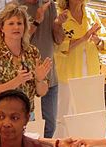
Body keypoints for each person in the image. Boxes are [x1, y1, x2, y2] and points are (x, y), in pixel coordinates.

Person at [0, 3, 52, 115]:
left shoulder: (32, 52)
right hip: (3, 116)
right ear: (2, 28)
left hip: (27, 115)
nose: (16, 27)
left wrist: (39, 80)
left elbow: (42, 92)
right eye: (11, 23)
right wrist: (17, 81)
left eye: (19, 23)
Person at [54, 0, 106, 116]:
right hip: (67, 76)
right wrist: (83, 39)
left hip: (91, 74)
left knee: (90, 114)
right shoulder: (59, 15)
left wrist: (98, 41)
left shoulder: (92, 14)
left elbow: (105, 43)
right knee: (64, 115)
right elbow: (58, 47)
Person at [28, 0, 66, 137]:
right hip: (26, 79)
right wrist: (36, 21)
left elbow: (59, 40)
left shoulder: (49, 5)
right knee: (29, 128)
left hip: (50, 78)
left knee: (50, 127)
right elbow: (18, 40)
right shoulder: (15, 6)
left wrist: (58, 24)